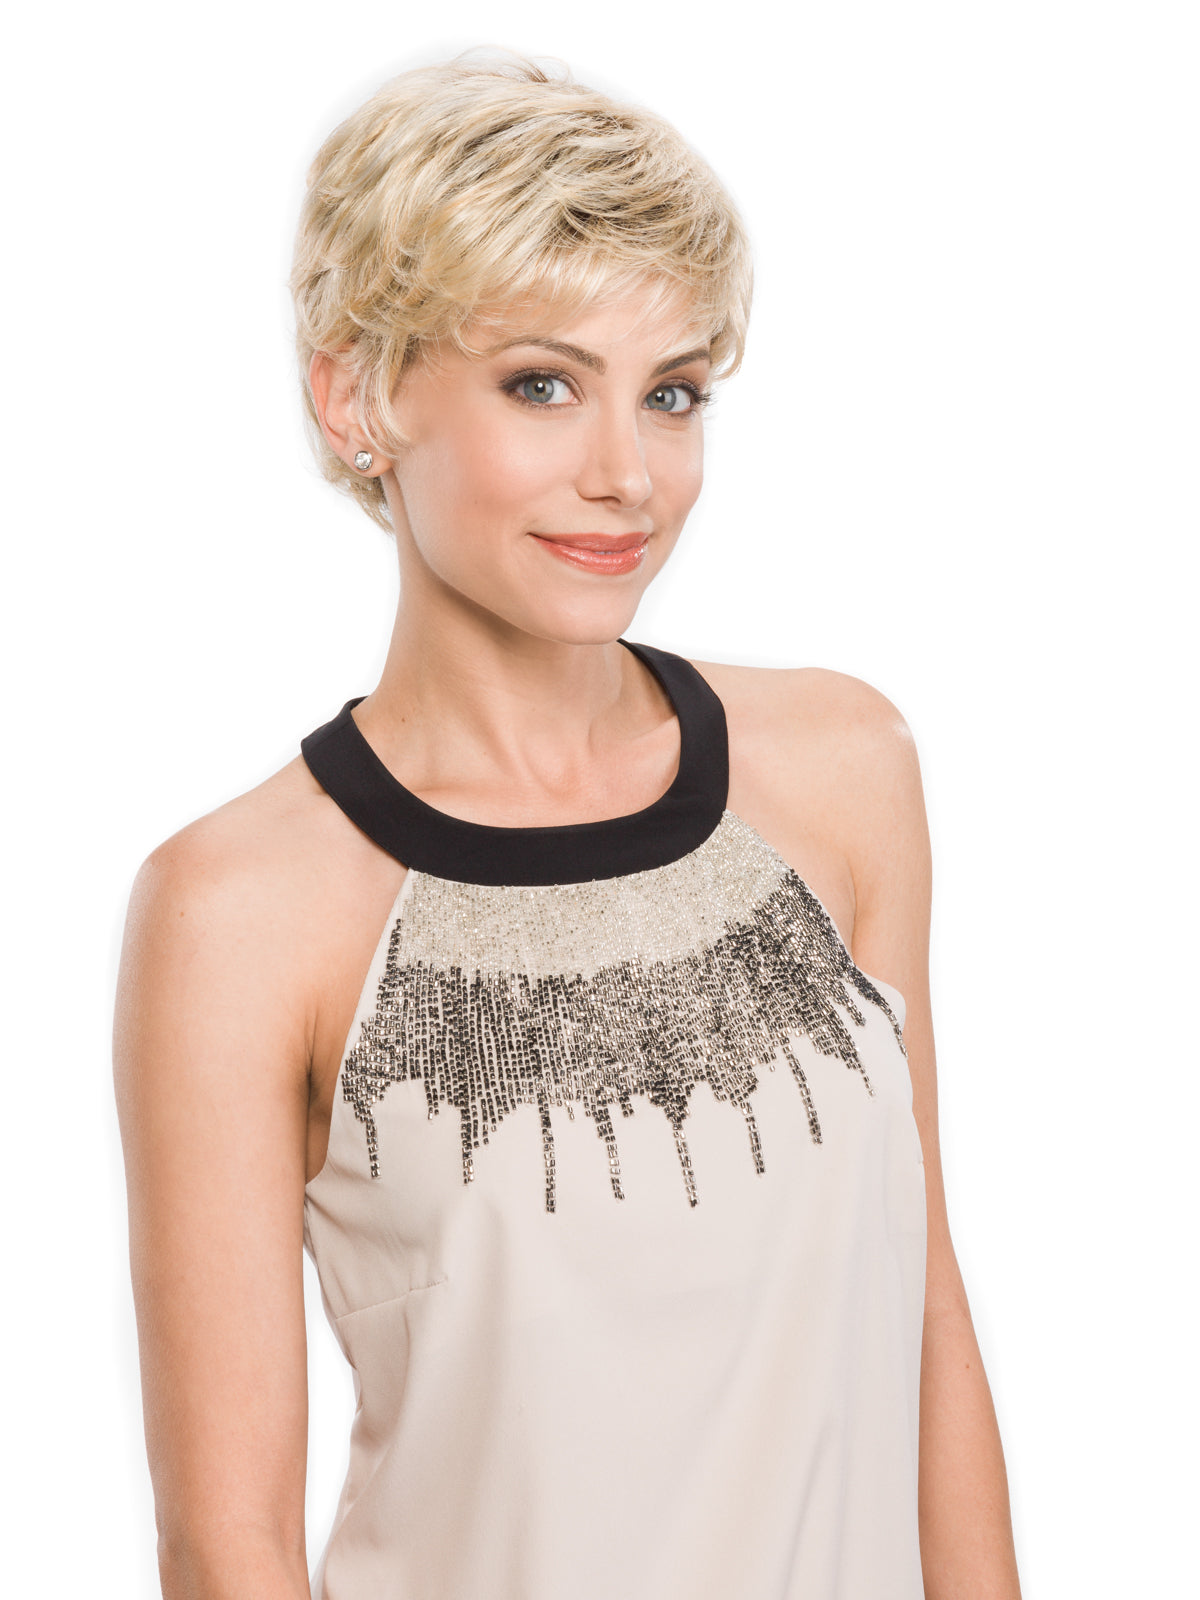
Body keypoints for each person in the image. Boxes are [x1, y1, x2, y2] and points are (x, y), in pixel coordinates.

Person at [113, 51, 1023, 1600]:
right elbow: (227, 1542)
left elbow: (921, 1312)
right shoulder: (242, 910)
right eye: (543, 384)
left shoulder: (840, 772)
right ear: (356, 396)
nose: (627, 475)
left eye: (671, 393)